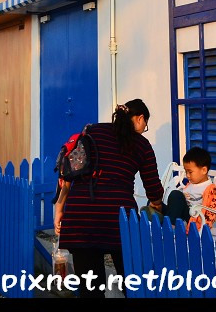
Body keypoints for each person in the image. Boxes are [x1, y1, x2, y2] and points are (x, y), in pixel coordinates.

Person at [54, 99, 164, 298]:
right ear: (140, 119)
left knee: (90, 289)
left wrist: (59, 208)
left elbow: (70, 173)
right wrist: (157, 204)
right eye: (145, 126)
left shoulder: (92, 131)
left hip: (80, 214)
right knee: (132, 282)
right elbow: (153, 189)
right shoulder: (141, 144)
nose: (143, 130)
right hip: (117, 217)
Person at [162, 146, 216, 232]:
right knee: (157, 202)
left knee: (176, 194)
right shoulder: (190, 184)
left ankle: (170, 226)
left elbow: (210, 212)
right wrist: (183, 197)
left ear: (204, 170)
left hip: (193, 219)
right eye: (186, 172)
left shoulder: (209, 189)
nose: (187, 175)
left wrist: (181, 198)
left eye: (190, 172)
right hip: (181, 214)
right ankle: (157, 214)